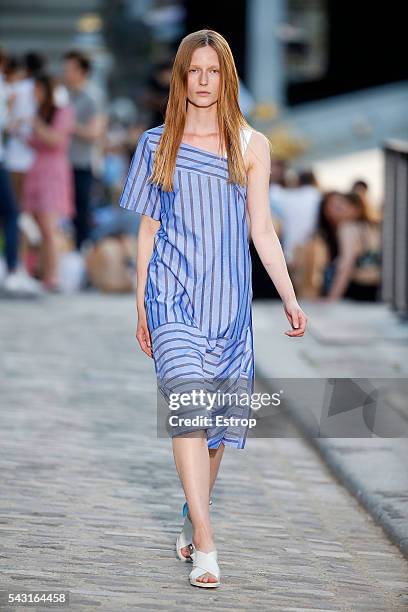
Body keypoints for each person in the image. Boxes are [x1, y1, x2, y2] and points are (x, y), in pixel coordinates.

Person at [118, 29, 308, 589]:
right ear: (181, 78)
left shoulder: (252, 146)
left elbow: (262, 230)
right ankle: (205, 541)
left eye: (213, 71)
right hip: (171, 295)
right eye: (193, 71)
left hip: (227, 305)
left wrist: (291, 297)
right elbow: (148, 226)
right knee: (188, 408)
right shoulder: (157, 144)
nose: (203, 81)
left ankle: (191, 510)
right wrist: (140, 301)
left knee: (216, 429)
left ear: (227, 77)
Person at [21, 74, 75, 291]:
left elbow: (56, 140)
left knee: (49, 226)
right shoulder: (40, 112)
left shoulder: (63, 112)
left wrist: (35, 124)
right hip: (38, 169)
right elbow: (35, 142)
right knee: (40, 226)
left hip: (53, 171)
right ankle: (45, 273)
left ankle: (53, 276)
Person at [0, 47, 42, 296]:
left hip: (11, 159)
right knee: (13, 214)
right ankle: (14, 269)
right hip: (7, 160)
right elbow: (6, 125)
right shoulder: (7, 90)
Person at [62, 50, 105, 251]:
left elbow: (95, 132)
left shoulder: (93, 97)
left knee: (82, 209)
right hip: (62, 162)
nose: (65, 72)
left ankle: (82, 252)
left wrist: (68, 126)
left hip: (83, 162)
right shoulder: (63, 95)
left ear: (82, 71)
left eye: (70, 68)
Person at [320, 192, 382, 301]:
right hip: (377, 288)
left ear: (354, 209)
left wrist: (332, 297)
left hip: (358, 287)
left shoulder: (347, 228)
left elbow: (347, 263)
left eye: (341, 208)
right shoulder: (374, 227)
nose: (333, 213)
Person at [4, 52, 45, 205]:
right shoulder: (54, 91)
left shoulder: (16, 89)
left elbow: (7, 122)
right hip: (41, 156)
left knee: (16, 204)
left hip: (16, 154)